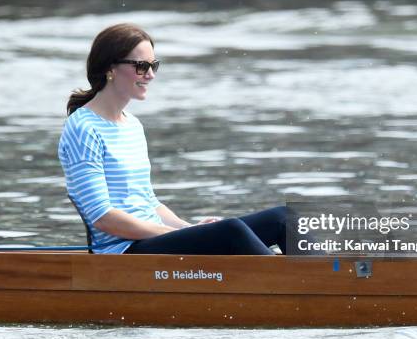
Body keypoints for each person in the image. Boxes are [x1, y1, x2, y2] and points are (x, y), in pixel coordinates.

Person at [58, 23, 287, 255]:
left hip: (154, 239)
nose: (150, 74)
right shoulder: (83, 128)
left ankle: (319, 282)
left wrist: (189, 229)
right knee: (232, 230)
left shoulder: (132, 125)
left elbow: (149, 202)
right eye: (141, 66)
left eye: (153, 65)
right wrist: (175, 234)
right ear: (111, 68)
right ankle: (295, 286)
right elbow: (103, 217)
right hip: (123, 251)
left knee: (284, 218)